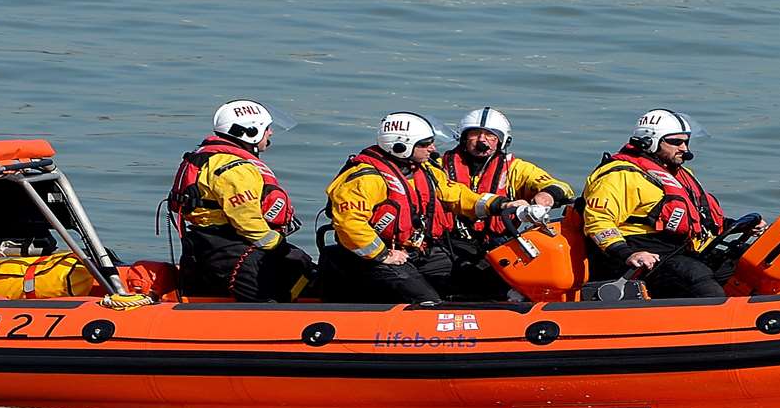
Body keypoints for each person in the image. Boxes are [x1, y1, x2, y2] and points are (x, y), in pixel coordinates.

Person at [322, 112, 525, 304]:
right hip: (374, 258)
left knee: (483, 278)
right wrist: (384, 255)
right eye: (425, 144)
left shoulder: (425, 170)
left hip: (419, 250)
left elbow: (456, 195)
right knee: (427, 301)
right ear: (401, 146)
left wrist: (500, 204)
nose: (432, 149)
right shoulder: (365, 179)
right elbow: (350, 224)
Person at [581, 108, 762, 299]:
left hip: (679, 250)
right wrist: (628, 254)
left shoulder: (680, 175)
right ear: (649, 142)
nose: (684, 148)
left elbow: (698, 216)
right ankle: (718, 320)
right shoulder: (619, 175)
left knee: (747, 262)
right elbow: (597, 222)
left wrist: (739, 226)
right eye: (676, 142)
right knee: (696, 276)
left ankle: (764, 310)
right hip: (638, 256)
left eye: (686, 142)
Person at [168, 99, 315, 302]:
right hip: (229, 252)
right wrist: (280, 246)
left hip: (203, 246)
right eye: (267, 128)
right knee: (300, 266)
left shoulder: (209, 158)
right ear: (250, 132)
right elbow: (249, 224)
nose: (270, 133)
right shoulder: (236, 170)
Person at [437, 106, 574, 298]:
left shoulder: (515, 169)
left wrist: (546, 197)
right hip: (449, 241)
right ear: (463, 138)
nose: (482, 140)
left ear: (502, 141)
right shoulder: (439, 167)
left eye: (491, 135)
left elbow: (560, 186)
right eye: (475, 134)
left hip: (498, 243)